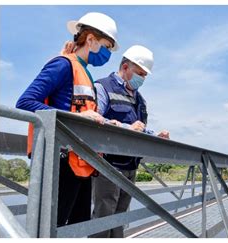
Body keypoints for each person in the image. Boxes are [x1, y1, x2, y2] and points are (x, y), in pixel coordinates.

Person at [16, 12, 120, 227]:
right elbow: (25, 102)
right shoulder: (63, 65)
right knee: (54, 227)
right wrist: (76, 117)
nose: (108, 54)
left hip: (80, 161)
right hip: (61, 161)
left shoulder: (84, 72)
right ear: (90, 40)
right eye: (106, 46)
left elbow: (84, 111)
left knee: (76, 226)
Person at [89, 45, 170, 238]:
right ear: (125, 67)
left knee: (120, 217)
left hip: (130, 164)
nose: (142, 79)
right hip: (108, 164)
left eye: (144, 75)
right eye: (139, 73)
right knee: (103, 215)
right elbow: (94, 120)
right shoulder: (103, 87)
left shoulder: (140, 99)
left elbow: (139, 126)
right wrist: (126, 128)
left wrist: (155, 135)